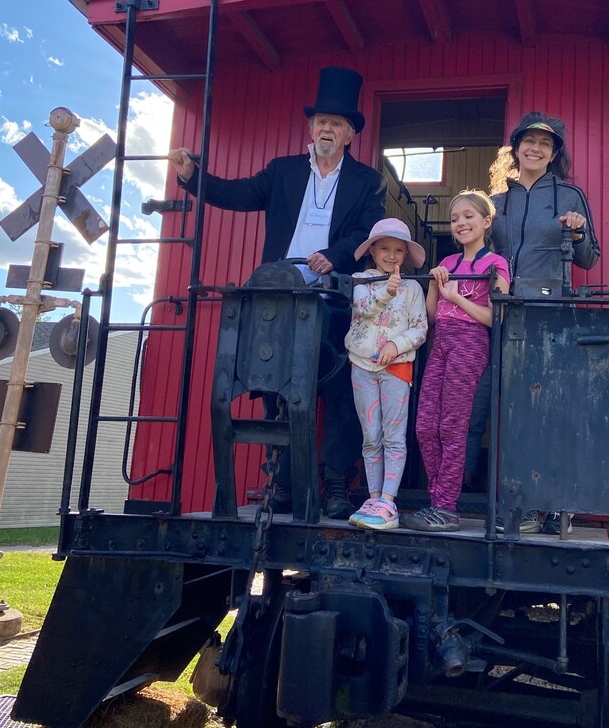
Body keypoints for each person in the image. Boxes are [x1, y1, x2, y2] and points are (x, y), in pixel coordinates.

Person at [168, 66, 387, 518]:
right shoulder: (283, 171)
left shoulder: (367, 181)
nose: (326, 128)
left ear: (350, 134)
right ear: (311, 128)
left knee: (341, 395)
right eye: (320, 121)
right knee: (278, 391)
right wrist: (193, 178)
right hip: (281, 301)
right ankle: (285, 483)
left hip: (333, 299)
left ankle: (333, 486)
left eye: (336, 123)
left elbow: (369, 230)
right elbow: (239, 194)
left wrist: (338, 254)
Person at [474, 112, 601, 534]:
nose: (535, 148)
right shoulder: (499, 202)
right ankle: (504, 499)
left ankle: (542, 505)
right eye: (529, 141)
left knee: (542, 408)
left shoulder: (569, 196)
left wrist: (579, 234)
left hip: (548, 315)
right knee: (499, 409)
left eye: (545, 144)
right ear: (516, 147)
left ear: (554, 153)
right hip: (500, 313)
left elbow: (589, 257)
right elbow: (480, 253)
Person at [404, 190, 510, 532]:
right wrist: (436, 286)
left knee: (452, 426)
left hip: (470, 342)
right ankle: (439, 500)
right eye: (455, 219)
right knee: (424, 426)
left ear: (486, 221)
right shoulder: (448, 263)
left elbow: (497, 317)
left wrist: (455, 297)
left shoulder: (497, 264)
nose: (461, 223)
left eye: (468, 216)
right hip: (442, 342)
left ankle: (445, 506)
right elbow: (433, 315)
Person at [344, 219, 429, 530]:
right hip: (362, 365)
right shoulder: (360, 281)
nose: (391, 256)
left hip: (396, 367)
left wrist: (396, 343)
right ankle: (374, 496)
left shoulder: (413, 288)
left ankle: (388, 501)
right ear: (373, 251)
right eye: (385, 249)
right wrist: (385, 292)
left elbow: (419, 328)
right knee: (371, 435)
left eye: (398, 250)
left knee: (393, 436)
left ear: (406, 254)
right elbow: (363, 308)